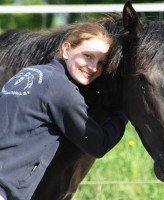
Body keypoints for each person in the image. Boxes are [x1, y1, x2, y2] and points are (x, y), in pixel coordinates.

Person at [0, 22, 128, 200]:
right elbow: (98, 145)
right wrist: (124, 109)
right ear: (66, 49)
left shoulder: (28, 74)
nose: (93, 68)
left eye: (101, 63)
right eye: (88, 56)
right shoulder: (61, 89)